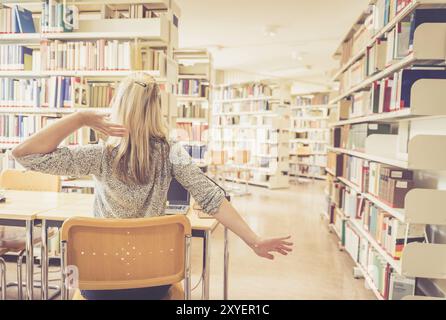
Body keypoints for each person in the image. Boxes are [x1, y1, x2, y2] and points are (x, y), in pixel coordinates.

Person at [12, 73, 293, 300]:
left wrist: (80, 118)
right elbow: (210, 197)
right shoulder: (171, 151)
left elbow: (23, 154)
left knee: (75, 279)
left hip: (98, 285)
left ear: (119, 107)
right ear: (156, 108)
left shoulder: (99, 155)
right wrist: (253, 239)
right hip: (154, 283)